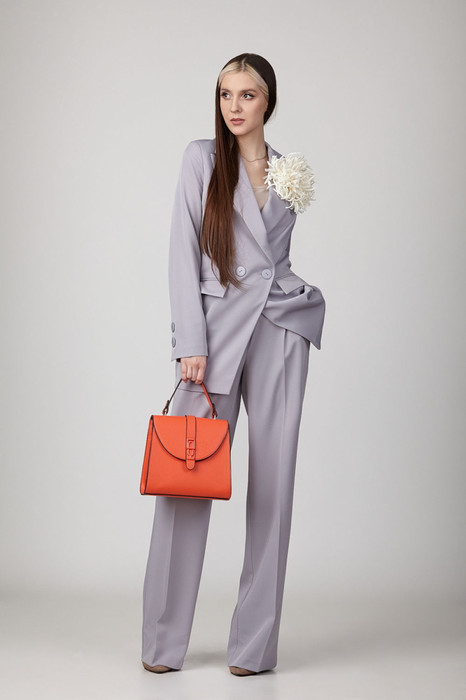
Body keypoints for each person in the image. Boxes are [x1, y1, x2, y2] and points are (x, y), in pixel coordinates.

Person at [142, 52, 326, 677]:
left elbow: (275, 259)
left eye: (247, 95)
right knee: (184, 481)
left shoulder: (286, 170)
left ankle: (254, 648)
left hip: (279, 329)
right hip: (214, 336)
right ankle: (163, 643)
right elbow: (181, 252)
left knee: (275, 487)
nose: (234, 106)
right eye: (225, 94)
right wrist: (188, 341)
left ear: (268, 100)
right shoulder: (202, 159)